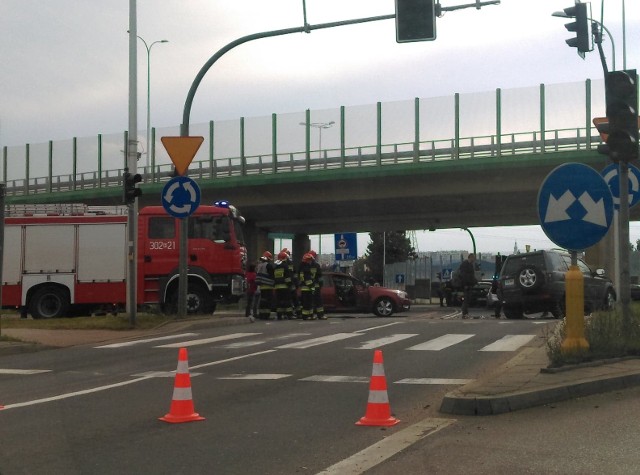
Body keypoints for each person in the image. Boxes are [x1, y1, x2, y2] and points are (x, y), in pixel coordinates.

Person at [273, 250, 294, 320]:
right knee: (287, 301)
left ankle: (279, 315)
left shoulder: (276, 266)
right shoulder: (285, 266)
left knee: (279, 302)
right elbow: (287, 277)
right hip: (285, 287)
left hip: (277, 287)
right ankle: (289, 315)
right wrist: (290, 285)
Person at [255, 251, 275, 320]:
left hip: (262, 286)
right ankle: (266, 315)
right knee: (268, 302)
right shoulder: (268, 265)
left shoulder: (259, 265)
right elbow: (272, 275)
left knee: (263, 301)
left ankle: (262, 314)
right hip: (268, 285)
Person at [458, 253, 478, 318]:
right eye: (473, 258)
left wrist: (475, 281)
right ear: (470, 257)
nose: (474, 259)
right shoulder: (465, 265)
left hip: (469, 284)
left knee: (468, 299)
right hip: (466, 285)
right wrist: (465, 284)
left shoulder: (470, 265)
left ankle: (465, 313)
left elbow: (471, 276)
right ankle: (464, 313)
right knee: (466, 299)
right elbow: (463, 276)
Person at [309, 250, 326, 320]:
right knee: (318, 302)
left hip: (308, 287)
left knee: (310, 302)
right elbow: (320, 277)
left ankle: (311, 315)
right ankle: (320, 315)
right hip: (316, 286)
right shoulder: (316, 265)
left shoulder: (305, 266)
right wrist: (321, 285)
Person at [298, 253, 315, 320]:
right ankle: (308, 315)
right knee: (308, 303)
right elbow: (308, 279)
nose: (311, 261)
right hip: (308, 288)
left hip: (303, 288)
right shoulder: (306, 268)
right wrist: (312, 287)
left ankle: (306, 315)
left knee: (305, 303)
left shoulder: (301, 267)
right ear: (307, 260)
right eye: (310, 260)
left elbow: (301, 278)